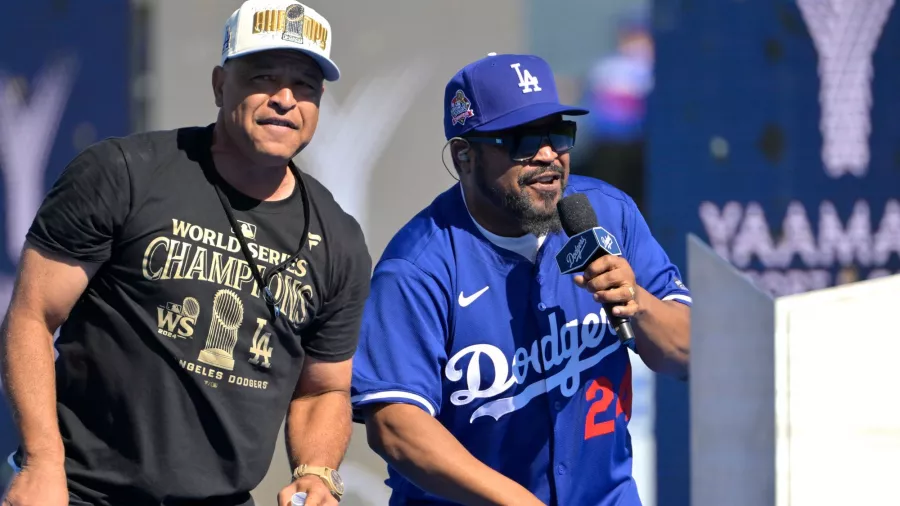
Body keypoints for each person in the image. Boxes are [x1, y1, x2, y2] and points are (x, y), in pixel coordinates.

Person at [0, 1, 370, 505]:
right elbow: (33, 316)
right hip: (85, 492)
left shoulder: (339, 240)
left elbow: (323, 390)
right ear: (220, 85)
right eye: (263, 76)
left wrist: (318, 471)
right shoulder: (123, 173)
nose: (285, 99)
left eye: (304, 85)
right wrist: (42, 461)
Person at [350, 53, 691, 506]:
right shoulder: (419, 265)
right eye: (524, 139)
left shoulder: (608, 213)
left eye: (559, 134)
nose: (549, 154)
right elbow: (396, 427)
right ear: (464, 156)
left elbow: (687, 354)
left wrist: (637, 301)